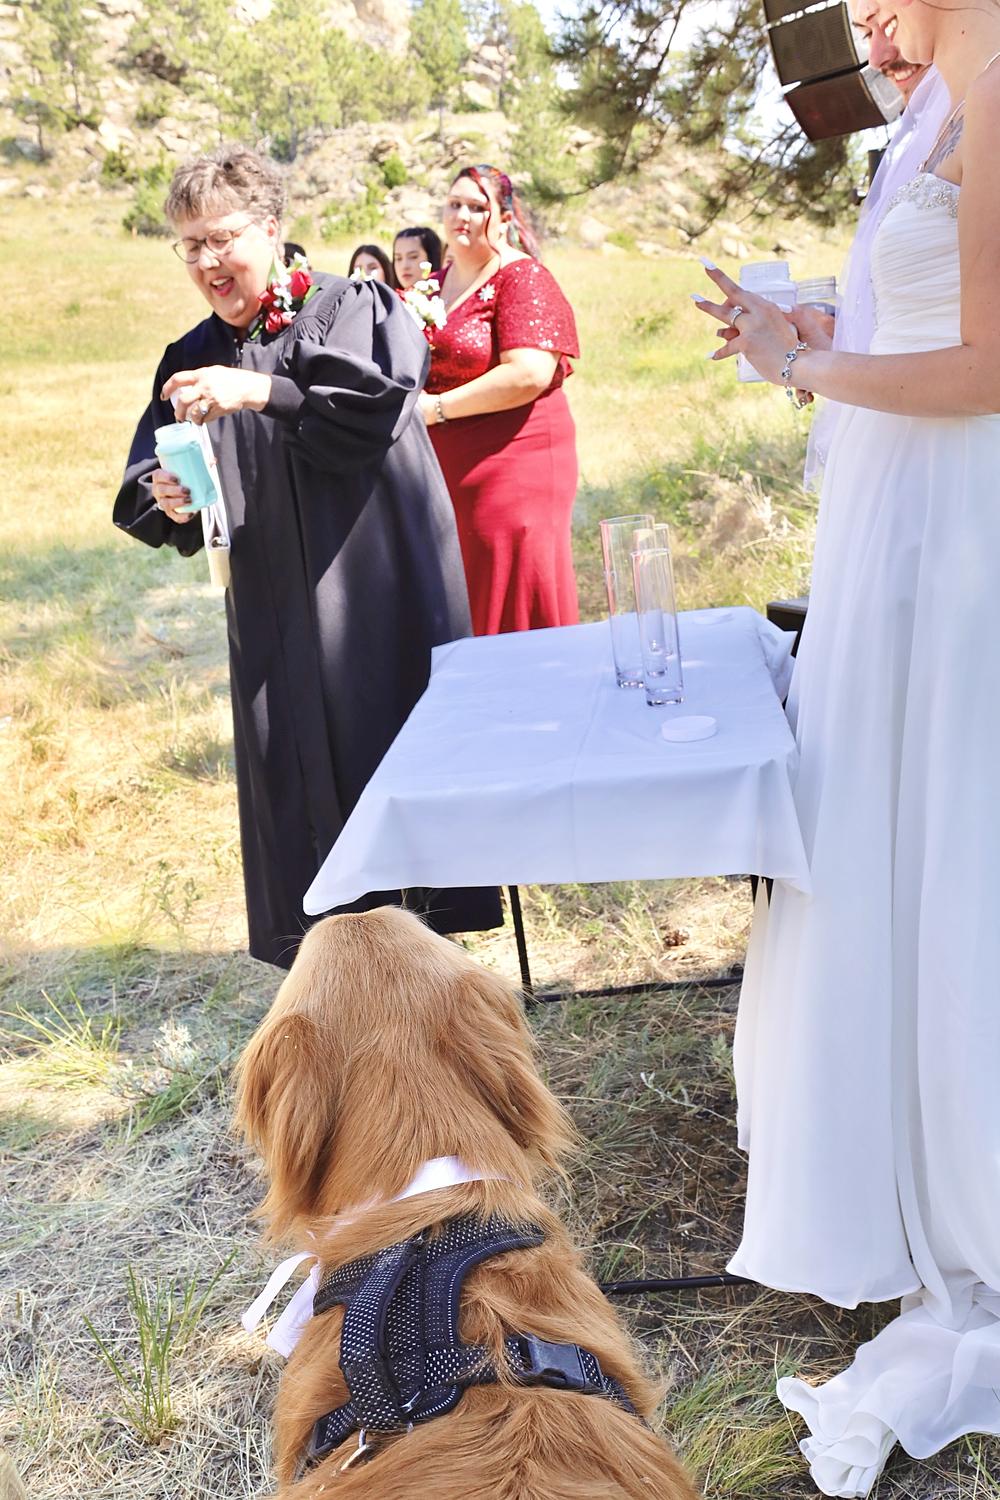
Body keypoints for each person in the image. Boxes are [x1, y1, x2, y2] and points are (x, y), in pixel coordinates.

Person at [695, 0, 1000, 1490]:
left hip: (966, 524)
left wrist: (812, 373)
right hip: (900, 519)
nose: (859, 13)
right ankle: (918, 1172)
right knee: (898, 830)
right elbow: (922, 332)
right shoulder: (939, 98)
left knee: (959, 830)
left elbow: (990, 369)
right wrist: (815, 340)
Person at [114, 146, 502, 968]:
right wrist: (169, 493)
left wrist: (259, 390)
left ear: (271, 227)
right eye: (191, 245)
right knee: (296, 789)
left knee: (385, 759)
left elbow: (372, 411)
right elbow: (150, 472)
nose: (208, 262)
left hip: (371, 592)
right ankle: (336, 980)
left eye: (223, 238)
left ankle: (432, 980)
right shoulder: (188, 357)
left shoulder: (350, 306)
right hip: (270, 611)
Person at [418, 164, 580, 636]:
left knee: (511, 596)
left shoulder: (522, 277)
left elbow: (530, 373)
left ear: (504, 218)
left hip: (515, 465)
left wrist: (436, 409)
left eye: (477, 207)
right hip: (447, 470)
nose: (461, 215)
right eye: (454, 204)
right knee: (462, 594)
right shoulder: (433, 285)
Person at [802, 3, 950, 484]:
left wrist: (798, 366)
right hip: (897, 445)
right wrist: (833, 339)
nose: (879, 55)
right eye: (867, 33)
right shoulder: (916, 143)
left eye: (890, 24)